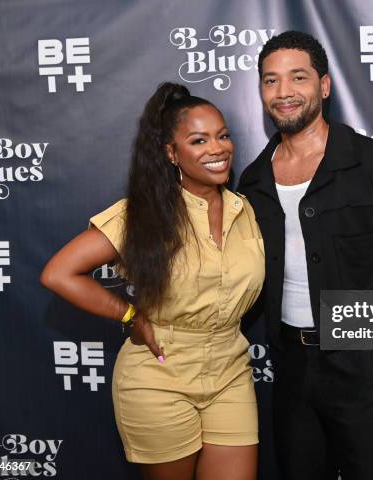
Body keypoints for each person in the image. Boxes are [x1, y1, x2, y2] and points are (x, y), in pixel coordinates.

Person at [237, 31, 373, 480]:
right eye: (271, 81)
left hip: (362, 361)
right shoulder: (253, 181)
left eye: (298, 77)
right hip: (290, 366)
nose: (284, 92)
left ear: (324, 86)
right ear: (260, 91)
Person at [40, 82, 264, 480]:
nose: (217, 148)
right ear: (171, 153)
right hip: (159, 373)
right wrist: (128, 314)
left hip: (230, 370)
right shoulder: (143, 214)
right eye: (199, 140)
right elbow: (58, 273)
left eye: (223, 135)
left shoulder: (243, 209)